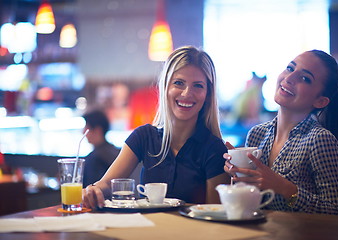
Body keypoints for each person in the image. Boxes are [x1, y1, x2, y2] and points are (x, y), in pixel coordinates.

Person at [83, 46, 230, 209]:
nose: (187, 93)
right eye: (179, 83)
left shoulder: (215, 149)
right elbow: (107, 184)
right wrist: (93, 190)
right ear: (165, 87)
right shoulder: (144, 136)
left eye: (198, 86)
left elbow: (214, 214)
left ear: (208, 95)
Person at [224, 50, 338, 216]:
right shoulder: (257, 134)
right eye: (290, 68)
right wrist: (239, 177)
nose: (289, 78)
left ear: (320, 101)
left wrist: (284, 187)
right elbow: (251, 204)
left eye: (305, 78)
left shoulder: (320, 140)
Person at [82, 110, 120, 187]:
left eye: (86, 127)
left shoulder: (94, 158)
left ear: (97, 130)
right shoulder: (118, 152)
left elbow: (89, 189)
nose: (83, 132)